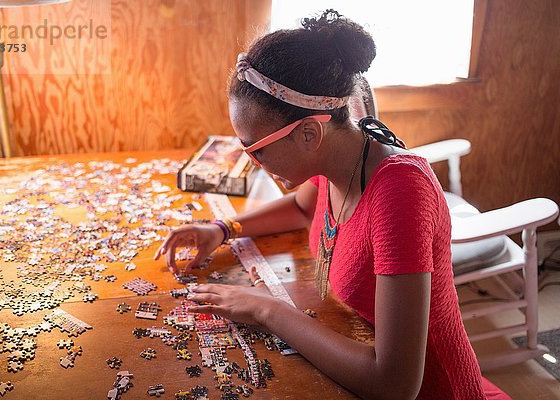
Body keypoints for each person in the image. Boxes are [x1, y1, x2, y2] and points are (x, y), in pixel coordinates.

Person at [156, 9, 511, 400]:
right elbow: (302, 209)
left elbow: (395, 385)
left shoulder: (400, 194)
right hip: (353, 341)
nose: (253, 163)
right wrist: (222, 229)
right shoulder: (338, 157)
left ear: (309, 133)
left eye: (254, 149)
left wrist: (267, 310)